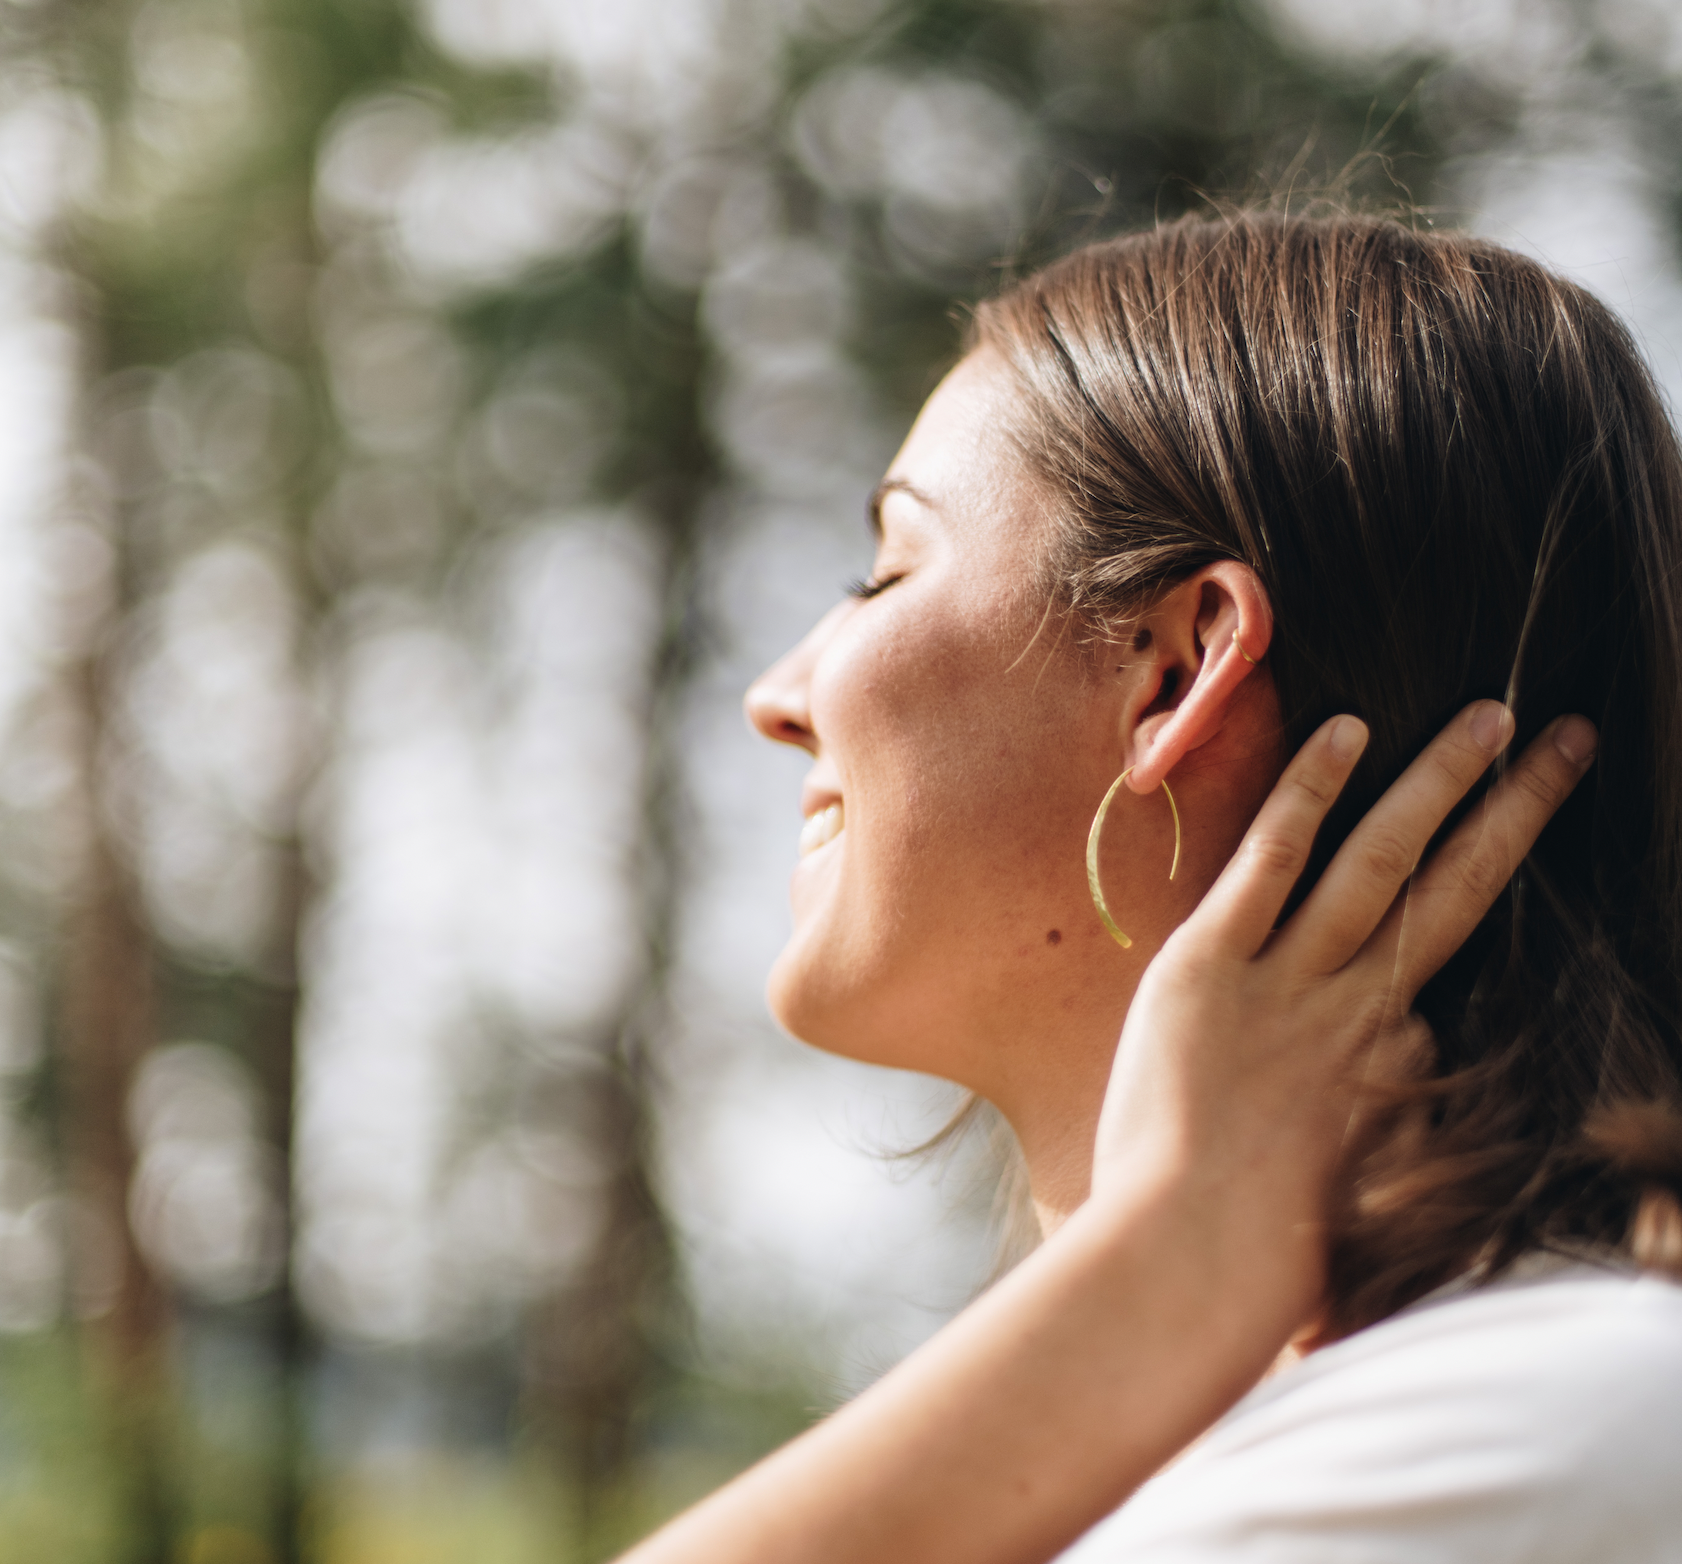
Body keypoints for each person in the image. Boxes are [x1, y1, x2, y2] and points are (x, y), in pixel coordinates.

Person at [620, 213, 1682, 1564]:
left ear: (1174, 675)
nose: (775, 699)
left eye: (883, 571)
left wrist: (1160, 1264)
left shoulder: (1544, 1428)